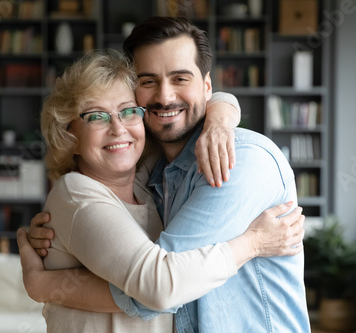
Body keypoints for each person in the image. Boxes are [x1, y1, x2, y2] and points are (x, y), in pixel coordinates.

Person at [21, 16, 309, 332]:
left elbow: (158, 289)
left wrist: (43, 284)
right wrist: (253, 243)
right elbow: (160, 285)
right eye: (148, 81)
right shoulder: (152, 173)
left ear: (208, 86)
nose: (165, 97)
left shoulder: (235, 160)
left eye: (181, 78)